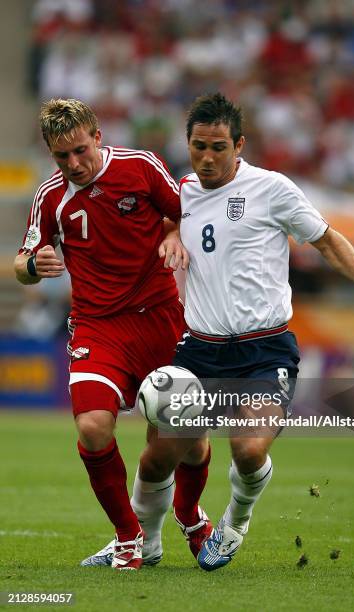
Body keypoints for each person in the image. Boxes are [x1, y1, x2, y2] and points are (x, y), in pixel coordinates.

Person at [83, 92, 354, 571]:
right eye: (198, 146)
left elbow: (325, 238)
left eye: (218, 147)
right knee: (154, 460)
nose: (207, 157)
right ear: (187, 144)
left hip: (264, 348)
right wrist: (170, 232)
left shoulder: (272, 188)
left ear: (239, 145)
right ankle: (141, 544)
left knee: (248, 449)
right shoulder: (182, 190)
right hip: (198, 353)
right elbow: (163, 220)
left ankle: (234, 521)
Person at [14, 98, 212, 571]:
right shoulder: (50, 197)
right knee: (92, 426)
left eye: (81, 150)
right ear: (50, 153)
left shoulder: (141, 167)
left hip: (160, 315)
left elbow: (187, 213)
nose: (74, 164)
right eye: (62, 157)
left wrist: (172, 233)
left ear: (98, 136)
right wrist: (33, 268)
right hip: (98, 326)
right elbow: (23, 262)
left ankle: (189, 515)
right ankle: (130, 537)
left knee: (190, 437)